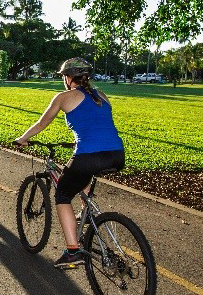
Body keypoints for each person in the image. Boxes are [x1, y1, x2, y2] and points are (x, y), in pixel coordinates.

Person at [14, 57, 125, 269]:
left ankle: (73, 251)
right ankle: (85, 212)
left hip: (90, 155)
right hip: (117, 154)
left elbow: (42, 122)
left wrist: (23, 138)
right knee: (82, 174)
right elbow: (96, 126)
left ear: (68, 77)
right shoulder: (101, 95)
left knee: (63, 194)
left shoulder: (64, 97)